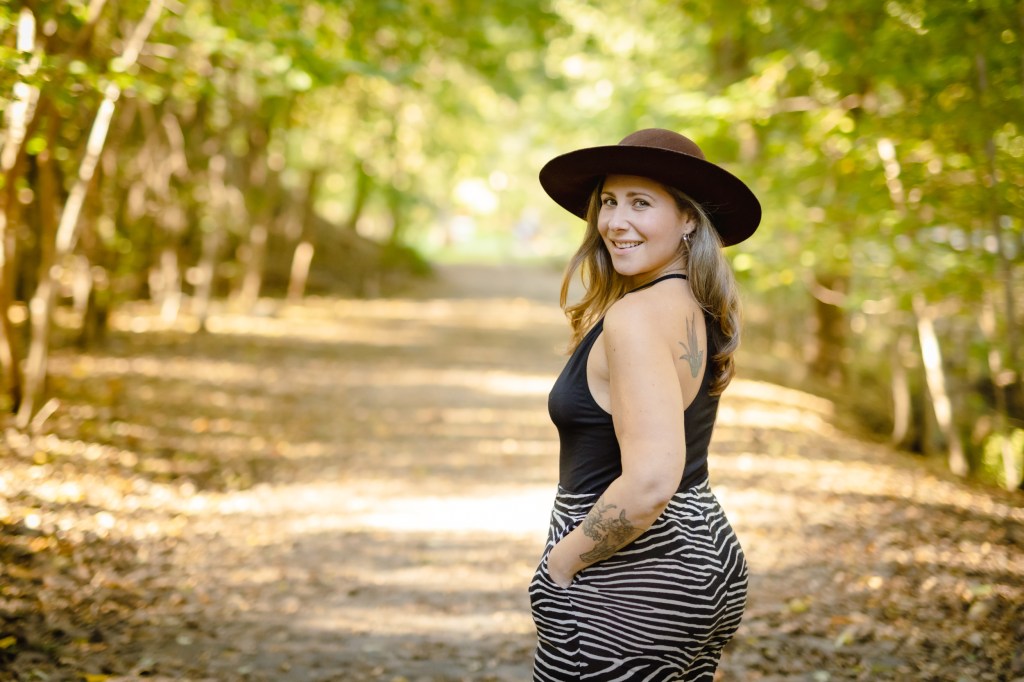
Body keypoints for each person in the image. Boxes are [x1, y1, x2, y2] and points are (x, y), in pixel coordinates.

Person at [528, 128, 761, 681]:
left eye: (640, 202)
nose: (615, 221)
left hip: (632, 574)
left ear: (688, 219)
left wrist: (560, 566)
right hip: (705, 555)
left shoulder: (634, 317)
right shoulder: (695, 306)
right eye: (609, 201)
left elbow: (652, 481)